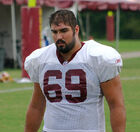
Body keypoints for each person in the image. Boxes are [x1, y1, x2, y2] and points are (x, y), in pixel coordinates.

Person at [24, 9, 126, 132]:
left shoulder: (97, 57)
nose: (59, 37)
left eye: (64, 31)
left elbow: (116, 105)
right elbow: (37, 106)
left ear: (76, 29)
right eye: (54, 32)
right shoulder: (41, 59)